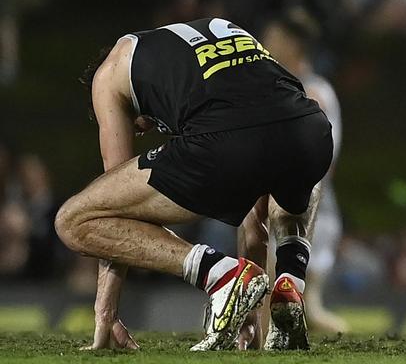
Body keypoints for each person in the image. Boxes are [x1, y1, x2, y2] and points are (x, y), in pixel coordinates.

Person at [54, 18, 333, 351]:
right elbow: (254, 218)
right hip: (310, 131)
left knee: (74, 220)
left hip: (230, 142)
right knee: (290, 181)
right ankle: (290, 279)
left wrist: (106, 314)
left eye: (138, 128)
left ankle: (219, 274)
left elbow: (117, 215)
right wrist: (251, 321)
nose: (144, 131)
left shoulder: (109, 71)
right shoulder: (216, 36)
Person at [253, 10, 349, 336]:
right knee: (293, 307)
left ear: (293, 45)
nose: (265, 44)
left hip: (308, 218)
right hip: (296, 214)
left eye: (273, 38)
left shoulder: (314, 95)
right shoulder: (283, 90)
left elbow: (323, 164)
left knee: (274, 298)